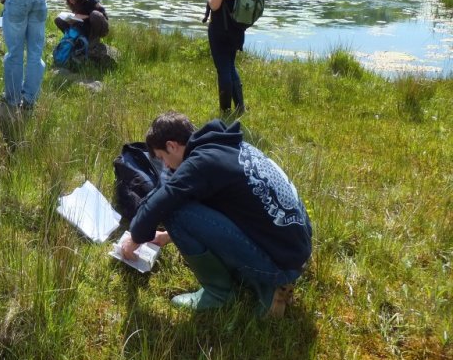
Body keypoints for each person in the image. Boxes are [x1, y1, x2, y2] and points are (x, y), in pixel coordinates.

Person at [121, 112, 312, 318]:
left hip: (282, 263)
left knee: (175, 211)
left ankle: (219, 293)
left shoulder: (199, 164)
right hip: (297, 250)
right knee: (191, 199)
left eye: (162, 158)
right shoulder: (226, 145)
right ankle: (267, 286)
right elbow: (232, 207)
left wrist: (134, 237)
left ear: (172, 146)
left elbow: (158, 205)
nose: (165, 166)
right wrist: (166, 237)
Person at [203, 0, 246, 114]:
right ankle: (240, 107)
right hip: (237, 27)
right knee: (230, 65)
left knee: (223, 69)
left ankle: (225, 111)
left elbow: (215, 4)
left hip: (221, 29)